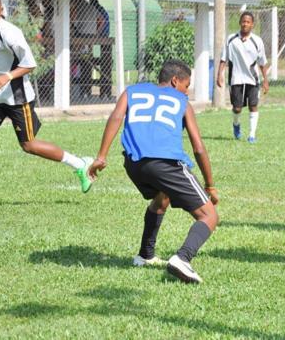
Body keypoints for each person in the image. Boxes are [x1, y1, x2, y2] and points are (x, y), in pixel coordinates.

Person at [88, 59, 219, 284]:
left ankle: (145, 255)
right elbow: (198, 147)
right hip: (166, 163)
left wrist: (101, 156)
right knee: (209, 216)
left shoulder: (132, 91)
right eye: (186, 86)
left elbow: (116, 118)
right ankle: (183, 258)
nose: (186, 92)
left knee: (162, 196)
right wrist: (210, 185)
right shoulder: (182, 102)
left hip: (134, 164)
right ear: (175, 81)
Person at [0, 0, 93, 209]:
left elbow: (30, 64)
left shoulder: (10, 33)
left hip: (18, 98)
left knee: (29, 145)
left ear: (2, 10)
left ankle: (80, 164)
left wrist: (6, 76)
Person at [216, 12, 269, 143]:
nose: (245, 24)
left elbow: (262, 63)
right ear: (240, 23)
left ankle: (252, 135)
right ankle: (236, 124)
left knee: (253, 106)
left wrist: (265, 80)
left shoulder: (257, 41)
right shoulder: (231, 39)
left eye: (248, 22)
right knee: (237, 108)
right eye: (243, 21)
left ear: (252, 24)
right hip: (236, 79)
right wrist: (219, 75)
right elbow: (224, 59)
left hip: (253, 79)